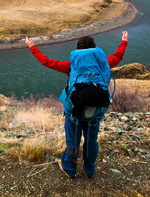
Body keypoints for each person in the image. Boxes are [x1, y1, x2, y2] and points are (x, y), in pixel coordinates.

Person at [25, 31, 128, 179]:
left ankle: (69, 169)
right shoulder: (104, 64)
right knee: (91, 140)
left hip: (74, 110)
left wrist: (32, 46)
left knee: (72, 140)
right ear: (94, 48)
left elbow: (46, 62)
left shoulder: (71, 67)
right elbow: (118, 56)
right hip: (95, 110)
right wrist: (124, 41)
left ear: (77, 49)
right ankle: (89, 170)